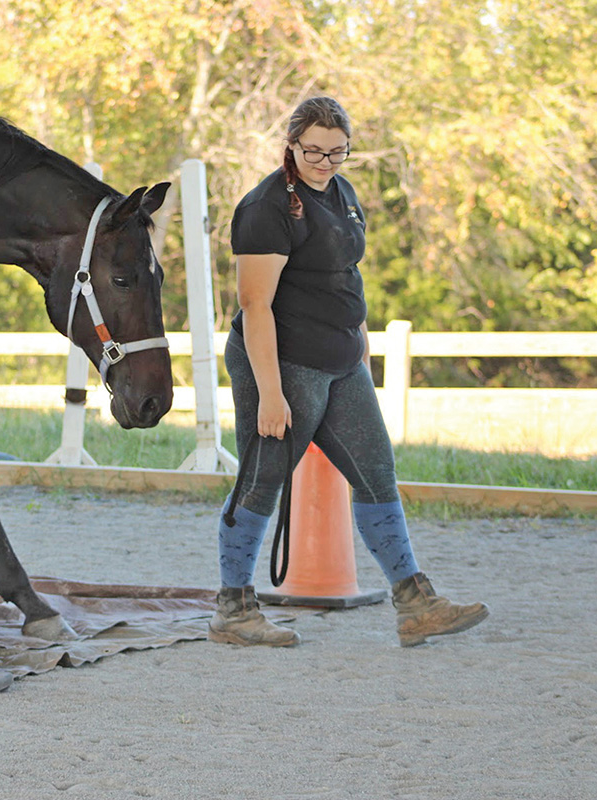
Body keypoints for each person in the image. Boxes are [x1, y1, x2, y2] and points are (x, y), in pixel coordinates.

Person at [209, 96, 488, 648]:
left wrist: (359, 344)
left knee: (376, 472)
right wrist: (269, 393)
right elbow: (255, 305)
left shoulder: (342, 191)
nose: (325, 162)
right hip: (282, 362)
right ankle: (233, 610)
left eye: (338, 152)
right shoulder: (266, 208)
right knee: (261, 480)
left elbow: (344, 274)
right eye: (313, 151)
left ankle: (415, 603)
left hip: (341, 360)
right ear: (291, 144)